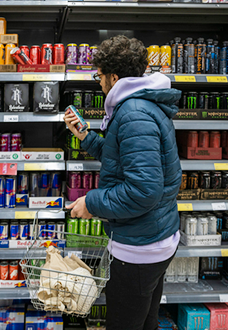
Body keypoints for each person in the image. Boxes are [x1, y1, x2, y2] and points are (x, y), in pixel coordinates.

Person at [64, 35, 182, 330]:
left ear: (114, 77)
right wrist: (86, 137)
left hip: (140, 249)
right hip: (153, 238)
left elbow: (143, 190)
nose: (98, 82)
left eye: (99, 75)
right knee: (146, 322)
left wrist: (91, 203)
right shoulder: (141, 106)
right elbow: (124, 159)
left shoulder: (132, 114)